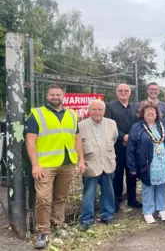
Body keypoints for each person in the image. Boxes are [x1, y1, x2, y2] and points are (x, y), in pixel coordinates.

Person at [25, 84, 86, 249]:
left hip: (67, 163)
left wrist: (81, 160)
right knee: (43, 198)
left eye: (58, 95)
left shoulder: (72, 114)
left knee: (61, 197)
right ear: (47, 96)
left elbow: (77, 138)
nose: (55, 97)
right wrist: (35, 164)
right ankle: (42, 232)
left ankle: (59, 225)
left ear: (63, 96)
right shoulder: (37, 114)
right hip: (45, 165)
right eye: (52, 95)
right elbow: (30, 141)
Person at [126, 101, 165, 224]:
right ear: (142, 114)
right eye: (147, 110)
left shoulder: (163, 124)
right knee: (148, 187)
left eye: (153, 110)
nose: (150, 112)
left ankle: (161, 209)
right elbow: (130, 148)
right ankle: (148, 211)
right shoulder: (137, 127)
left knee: (162, 185)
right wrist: (132, 166)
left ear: (157, 113)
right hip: (147, 163)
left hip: (163, 162)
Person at [78, 100, 118, 231]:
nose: (97, 112)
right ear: (89, 111)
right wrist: (81, 161)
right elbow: (77, 145)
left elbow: (114, 139)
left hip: (107, 162)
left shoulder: (111, 124)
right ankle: (86, 220)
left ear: (104, 111)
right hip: (90, 164)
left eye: (100, 109)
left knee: (108, 191)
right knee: (89, 193)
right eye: (94, 110)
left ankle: (107, 215)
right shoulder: (81, 125)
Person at [105, 83, 142, 212]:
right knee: (118, 174)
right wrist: (123, 136)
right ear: (117, 93)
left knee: (132, 173)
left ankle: (132, 199)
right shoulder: (110, 106)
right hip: (117, 146)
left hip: (132, 147)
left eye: (126, 90)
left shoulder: (135, 107)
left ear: (130, 93)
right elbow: (109, 125)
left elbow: (138, 124)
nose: (123, 92)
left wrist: (131, 137)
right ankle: (116, 200)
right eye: (120, 90)